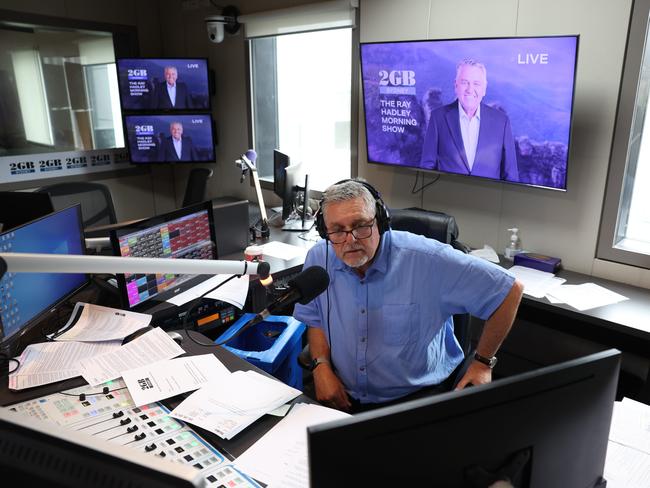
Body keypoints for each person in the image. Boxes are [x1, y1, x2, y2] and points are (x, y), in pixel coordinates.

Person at [293, 179, 524, 412]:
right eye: (338, 230)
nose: (350, 240)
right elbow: (316, 318)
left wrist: (483, 363)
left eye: (361, 225)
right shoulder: (319, 258)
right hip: (343, 396)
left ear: (380, 222)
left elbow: (510, 291)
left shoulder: (429, 260)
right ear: (325, 231)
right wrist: (320, 365)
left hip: (418, 399)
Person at [420, 59, 519, 181]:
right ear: (456, 86)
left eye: (476, 83)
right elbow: (426, 169)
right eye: (464, 82)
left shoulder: (501, 121)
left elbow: (511, 175)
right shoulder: (437, 118)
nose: (470, 89)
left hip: (488, 199)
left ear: (484, 89)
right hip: (445, 198)